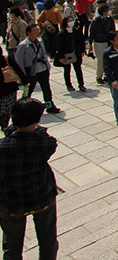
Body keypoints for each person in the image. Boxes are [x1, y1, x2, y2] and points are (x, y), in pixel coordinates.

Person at [0, 98, 59, 260]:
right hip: (41, 197)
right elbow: (46, 136)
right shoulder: (45, 144)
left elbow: (11, 134)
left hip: (11, 203)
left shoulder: (2, 148)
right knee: (48, 241)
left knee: (12, 247)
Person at [16, 24, 60, 114]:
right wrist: (22, 75)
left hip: (43, 69)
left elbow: (43, 53)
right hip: (31, 71)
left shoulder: (40, 41)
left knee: (46, 88)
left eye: (38, 30)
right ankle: (23, 108)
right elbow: (19, 61)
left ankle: (50, 105)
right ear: (29, 33)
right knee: (28, 90)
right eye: (35, 30)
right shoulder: (23, 45)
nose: (38, 32)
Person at [55, 16, 86, 92]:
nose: (71, 22)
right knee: (67, 70)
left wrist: (82, 50)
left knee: (78, 69)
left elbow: (81, 40)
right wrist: (61, 56)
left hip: (76, 52)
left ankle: (81, 84)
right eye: (69, 21)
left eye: (72, 20)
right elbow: (58, 46)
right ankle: (69, 85)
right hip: (66, 54)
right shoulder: (61, 34)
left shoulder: (76, 30)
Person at [88, 3, 115, 84]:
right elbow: (92, 33)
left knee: (109, 59)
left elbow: (113, 30)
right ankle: (99, 76)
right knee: (101, 60)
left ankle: (107, 75)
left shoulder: (110, 19)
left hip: (108, 42)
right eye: (107, 10)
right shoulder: (96, 21)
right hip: (98, 42)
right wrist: (90, 44)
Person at [0, 47, 24, 129]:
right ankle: (5, 126)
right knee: (9, 110)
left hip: (2, 92)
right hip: (10, 90)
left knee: (2, 111)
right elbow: (18, 70)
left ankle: (4, 126)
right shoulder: (7, 59)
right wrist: (25, 81)